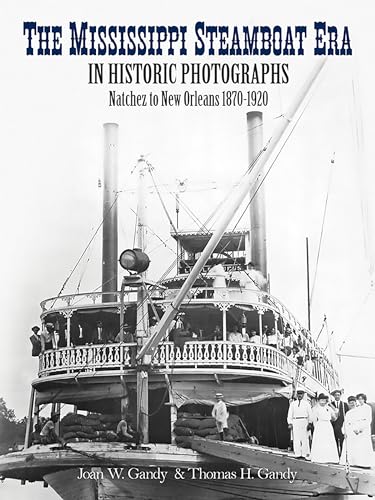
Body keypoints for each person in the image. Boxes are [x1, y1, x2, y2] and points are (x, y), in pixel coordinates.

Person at [341, 393, 373, 468]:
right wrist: (346, 431)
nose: (360, 400)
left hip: (362, 429)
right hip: (354, 429)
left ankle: (364, 463)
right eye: (359, 399)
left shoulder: (364, 408)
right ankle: (354, 462)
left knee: (362, 446)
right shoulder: (352, 411)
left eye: (362, 399)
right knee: (355, 446)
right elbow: (348, 422)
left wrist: (360, 428)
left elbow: (366, 420)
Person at [310, 393, 339, 463]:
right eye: (321, 400)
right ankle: (319, 458)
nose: (323, 402)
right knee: (320, 441)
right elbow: (313, 419)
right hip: (320, 425)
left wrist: (336, 412)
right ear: (318, 400)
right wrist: (316, 427)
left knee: (329, 441)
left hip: (328, 426)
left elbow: (334, 418)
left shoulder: (329, 408)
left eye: (324, 400)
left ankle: (330, 458)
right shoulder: (315, 409)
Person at [287, 388, 313, 459]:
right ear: (297, 395)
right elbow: (290, 414)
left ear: (303, 395)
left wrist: (310, 423)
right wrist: (290, 423)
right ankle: (297, 453)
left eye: (301, 394)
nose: (300, 395)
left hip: (304, 421)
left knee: (304, 438)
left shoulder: (307, 404)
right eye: (298, 394)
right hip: (295, 421)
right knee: (296, 438)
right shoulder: (293, 404)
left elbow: (310, 414)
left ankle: (304, 454)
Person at [330, 389, 349, 456]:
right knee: (334, 441)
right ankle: (336, 455)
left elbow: (347, 415)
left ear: (340, 395)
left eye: (338, 395)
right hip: (333, 426)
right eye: (335, 395)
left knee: (342, 441)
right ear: (333, 396)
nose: (337, 396)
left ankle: (342, 456)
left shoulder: (344, 405)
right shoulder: (330, 404)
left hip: (341, 426)